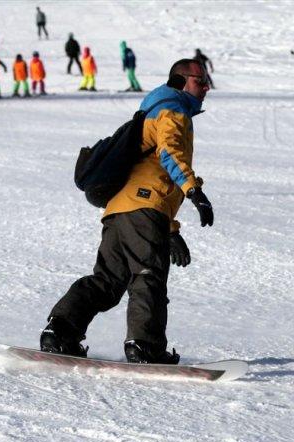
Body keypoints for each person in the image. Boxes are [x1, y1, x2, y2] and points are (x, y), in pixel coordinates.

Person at [40, 58, 213, 364]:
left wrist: (170, 229)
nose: (206, 86)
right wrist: (193, 190)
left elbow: (151, 173)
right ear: (179, 81)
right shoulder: (173, 110)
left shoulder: (153, 110)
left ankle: (60, 331)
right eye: (200, 81)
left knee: (106, 281)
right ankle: (145, 345)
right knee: (148, 276)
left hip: (120, 210)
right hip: (144, 209)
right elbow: (169, 153)